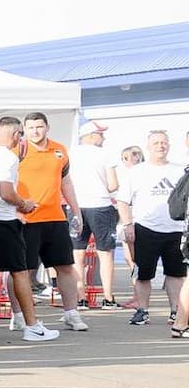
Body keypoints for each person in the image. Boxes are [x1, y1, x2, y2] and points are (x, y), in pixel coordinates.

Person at [0, 116, 58, 342]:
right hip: (3, 220)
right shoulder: (7, 157)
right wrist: (24, 204)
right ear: (16, 135)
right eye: (21, 134)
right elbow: (6, 192)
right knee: (20, 272)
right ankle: (32, 325)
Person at [18, 111, 88, 331]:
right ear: (24, 129)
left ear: (47, 127)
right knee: (21, 270)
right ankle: (18, 315)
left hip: (55, 217)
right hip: (26, 219)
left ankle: (71, 313)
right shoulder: (17, 150)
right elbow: (4, 183)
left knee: (65, 266)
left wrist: (76, 211)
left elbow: (66, 182)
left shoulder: (60, 150)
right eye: (31, 127)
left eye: (39, 126)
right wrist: (14, 211)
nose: (35, 131)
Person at [116, 130, 187, 333]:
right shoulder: (137, 171)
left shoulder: (180, 170)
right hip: (146, 228)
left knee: (176, 273)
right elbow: (122, 201)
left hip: (176, 229)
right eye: (156, 143)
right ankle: (142, 310)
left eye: (163, 142)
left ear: (169, 145)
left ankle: (176, 312)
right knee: (143, 273)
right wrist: (128, 224)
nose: (160, 146)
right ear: (148, 147)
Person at [68, 120, 121, 306]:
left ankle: (80, 298)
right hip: (101, 205)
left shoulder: (70, 153)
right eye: (100, 134)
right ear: (91, 136)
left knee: (77, 253)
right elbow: (113, 184)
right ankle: (108, 298)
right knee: (105, 253)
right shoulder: (105, 154)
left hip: (76, 207)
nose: (103, 138)